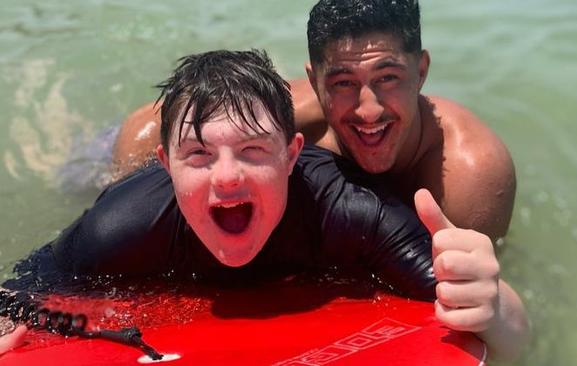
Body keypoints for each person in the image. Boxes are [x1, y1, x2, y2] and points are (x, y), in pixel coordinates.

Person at [1, 49, 527, 361]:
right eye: (200, 156)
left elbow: (503, 329)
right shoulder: (121, 225)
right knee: (79, 170)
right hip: (129, 156)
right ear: (167, 164)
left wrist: (495, 306)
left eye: (253, 152)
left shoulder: (350, 211)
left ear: (293, 154)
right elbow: (13, 295)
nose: (227, 177)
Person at [111, 0, 515, 243]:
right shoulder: (297, 116)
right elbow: (143, 128)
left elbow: (472, 295)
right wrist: (120, 190)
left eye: (388, 77)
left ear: (421, 70)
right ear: (314, 81)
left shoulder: (470, 173)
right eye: (343, 82)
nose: (368, 108)